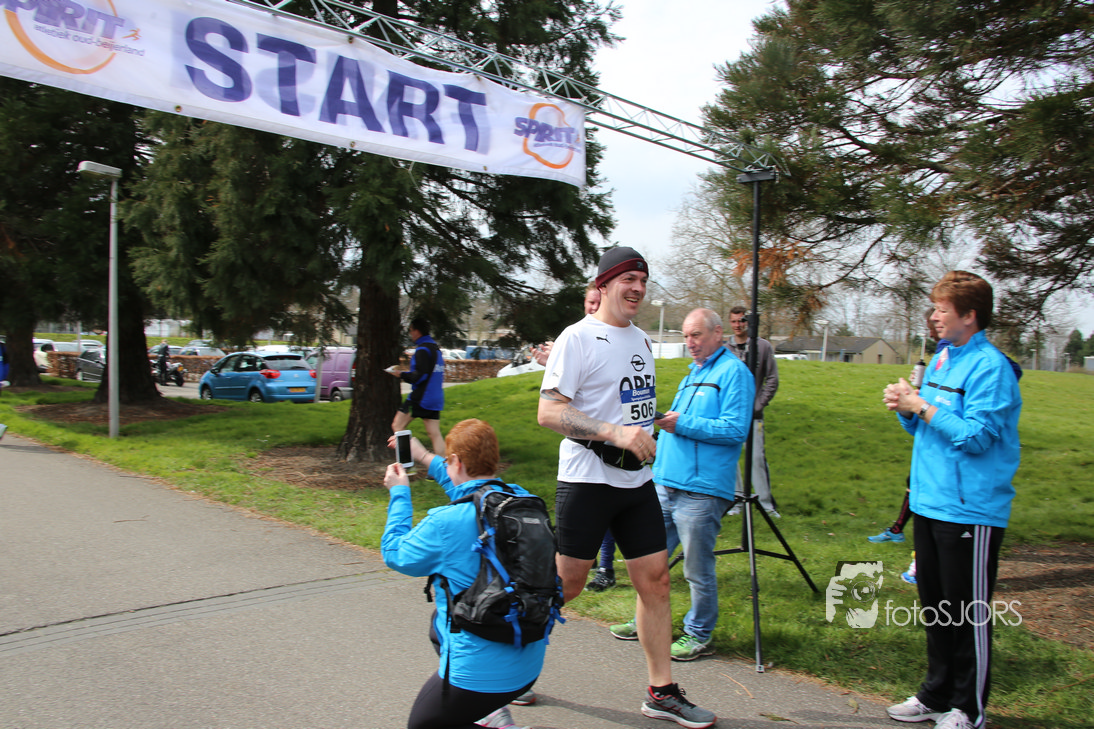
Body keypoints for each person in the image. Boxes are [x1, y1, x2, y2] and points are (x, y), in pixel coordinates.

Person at [538, 246, 717, 729]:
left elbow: (627, 402)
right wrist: (614, 433)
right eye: (628, 279)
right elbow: (549, 411)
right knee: (567, 584)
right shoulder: (577, 337)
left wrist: (645, 425)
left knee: (656, 580)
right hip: (587, 480)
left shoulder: (640, 339)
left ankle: (662, 692)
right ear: (603, 285)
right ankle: (499, 663)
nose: (638, 288)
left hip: (637, 481)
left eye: (643, 280)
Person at [882, 271, 1021, 729]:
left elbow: (977, 437)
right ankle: (935, 694)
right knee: (936, 608)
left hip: (970, 510)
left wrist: (922, 407)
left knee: (966, 613)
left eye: (943, 309)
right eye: (935, 308)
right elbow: (926, 426)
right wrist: (906, 406)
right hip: (930, 503)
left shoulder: (991, 369)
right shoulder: (943, 358)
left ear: (970, 315)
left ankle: (969, 708)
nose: (935, 316)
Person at [609, 309, 754, 662]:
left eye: (696, 335)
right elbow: (676, 426)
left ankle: (698, 634)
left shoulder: (735, 373)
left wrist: (682, 423)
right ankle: (646, 620)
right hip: (666, 482)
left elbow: (736, 429)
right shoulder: (693, 373)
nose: (690, 342)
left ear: (718, 333)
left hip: (702, 490)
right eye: (686, 336)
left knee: (696, 569)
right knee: (649, 561)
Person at [381, 419, 544, 729]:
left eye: (447, 461)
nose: (446, 465)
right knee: (438, 625)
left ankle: (490, 712)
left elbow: (395, 554)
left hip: (480, 675)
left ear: (456, 461)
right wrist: (422, 455)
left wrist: (399, 494)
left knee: (423, 726)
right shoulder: (521, 501)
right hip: (528, 663)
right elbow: (470, 488)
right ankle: (490, 710)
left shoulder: (445, 523)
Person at [725, 306, 780, 517]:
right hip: (730, 416)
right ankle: (737, 501)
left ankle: (766, 505)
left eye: (742, 321)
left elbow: (772, 379)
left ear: (749, 322)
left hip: (753, 416)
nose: (738, 325)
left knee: (756, 459)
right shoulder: (725, 349)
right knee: (731, 459)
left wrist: (759, 404)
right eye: (734, 321)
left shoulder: (762, 346)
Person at [389, 317, 446, 456]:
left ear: (417, 331)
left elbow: (419, 376)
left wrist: (400, 374)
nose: (410, 334)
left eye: (411, 330)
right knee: (435, 434)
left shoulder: (422, 350)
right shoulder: (436, 349)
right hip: (435, 398)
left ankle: (407, 462)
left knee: (397, 426)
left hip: (420, 398)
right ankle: (444, 466)